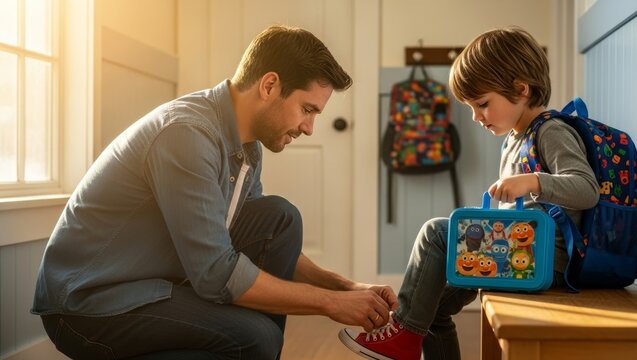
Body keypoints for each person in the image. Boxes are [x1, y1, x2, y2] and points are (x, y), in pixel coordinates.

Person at [32, 25, 397, 360]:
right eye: (307, 109)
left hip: (151, 283)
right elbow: (215, 274)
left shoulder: (247, 146)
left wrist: (346, 286)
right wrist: (329, 303)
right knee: (255, 339)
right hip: (89, 304)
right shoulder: (186, 134)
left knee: (279, 219)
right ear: (269, 86)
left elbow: (248, 235)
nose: (309, 127)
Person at [338, 26, 599, 360]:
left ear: (521, 89)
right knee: (431, 305)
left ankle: (402, 334)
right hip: (521, 256)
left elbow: (587, 189)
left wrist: (534, 180)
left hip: (546, 262)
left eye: (482, 104)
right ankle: (409, 330)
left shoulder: (551, 131)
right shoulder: (516, 139)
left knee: (437, 231)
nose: (476, 117)